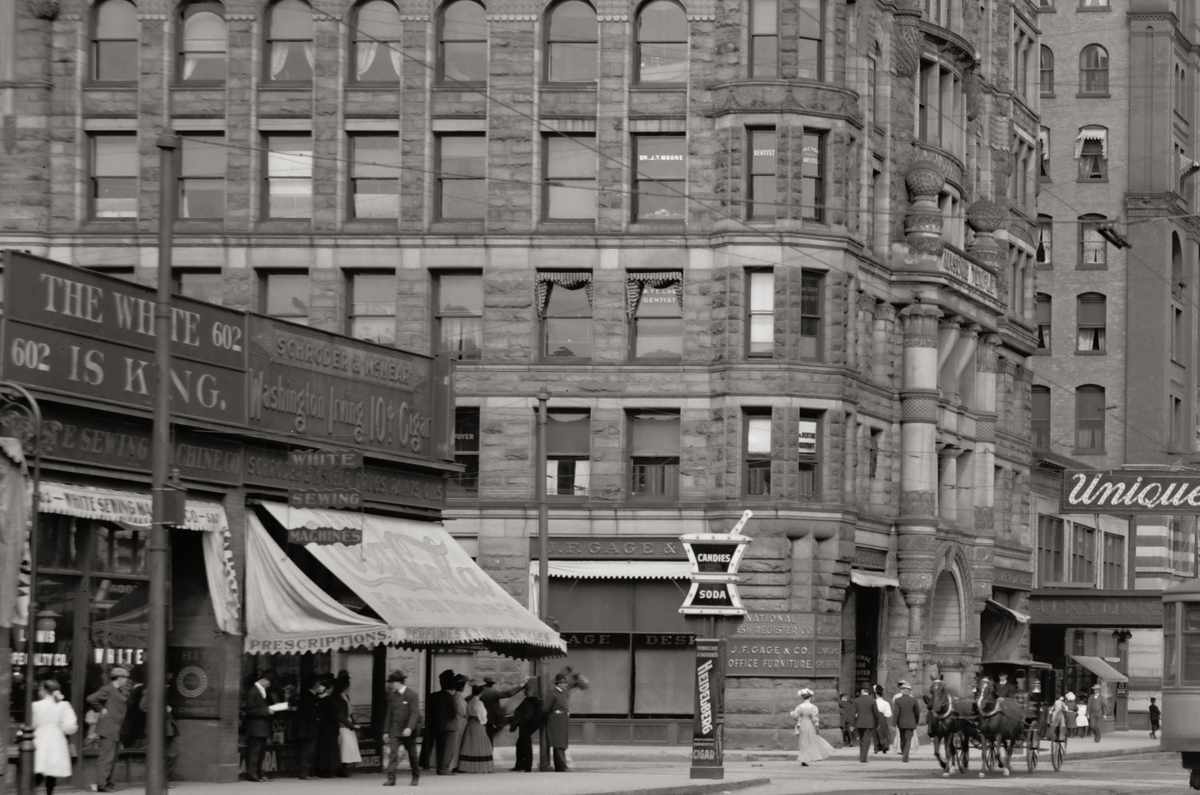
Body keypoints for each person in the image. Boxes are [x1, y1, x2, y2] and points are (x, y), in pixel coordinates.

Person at [87, 666, 131, 792]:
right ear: (120, 678)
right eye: (125, 678)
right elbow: (91, 698)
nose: (126, 680)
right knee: (107, 758)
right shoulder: (108, 689)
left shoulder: (117, 690)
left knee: (112, 757)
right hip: (109, 729)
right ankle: (102, 784)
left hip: (115, 729)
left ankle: (108, 782)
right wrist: (101, 709)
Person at [34, 680, 78, 795]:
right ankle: (49, 792)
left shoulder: (36, 706)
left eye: (40, 689)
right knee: (51, 770)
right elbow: (70, 726)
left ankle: (29, 790)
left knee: (39, 767)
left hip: (39, 738)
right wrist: (60, 726)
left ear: (44, 690)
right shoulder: (64, 705)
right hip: (56, 740)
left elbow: (32, 724)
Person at [140, 673, 180, 786]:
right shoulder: (149, 691)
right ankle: (158, 781)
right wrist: (163, 708)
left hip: (168, 729)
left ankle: (164, 780)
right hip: (157, 729)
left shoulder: (163, 691)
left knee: (173, 753)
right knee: (159, 755)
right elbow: (143, 707)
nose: (167, 684)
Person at [382, 670, 419, 787]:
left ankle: (415, 776)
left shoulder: (412, 695)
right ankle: (391, 778)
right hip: (395, 729)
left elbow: (414, 713)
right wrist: (386, 731)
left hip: (407, 731)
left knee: (412, 754)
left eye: (393, 682)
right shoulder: (392, 696)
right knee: (393, 753)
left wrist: (409, 728)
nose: (391, 685)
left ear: (398, 682)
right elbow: (389, 714)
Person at [243, 669, 279, 783]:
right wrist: (266, 711)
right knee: (255, 752)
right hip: (256, 727)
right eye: (269, 681)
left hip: (261, 727)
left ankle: (259, 773)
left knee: (260, 752)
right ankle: (253, 774)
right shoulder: (253, 691)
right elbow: (250, 709)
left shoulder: (262, 691)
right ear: (263, 679)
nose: (269, 684)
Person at [789, 688, 833, 766]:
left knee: (803, 741)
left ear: (803, 697)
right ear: (810, 697)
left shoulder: (799, 707)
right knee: (812, 739)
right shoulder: (813, 707)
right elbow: (815, 718)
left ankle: (804, 758)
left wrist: (793, 714)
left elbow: (795, 716)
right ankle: (813, 756)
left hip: (802, 724)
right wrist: (817, 727)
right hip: (809, 724)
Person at [478, 677, 528, 744]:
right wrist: (522, 685)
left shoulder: (479, 693)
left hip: (482, 720)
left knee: (485, 739)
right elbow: (509, 693)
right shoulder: (493, 692)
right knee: (489, 739)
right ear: (491, 685)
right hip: (492, 720)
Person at [458, 685, 494, 773]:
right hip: (478, 724)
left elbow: (466, 714)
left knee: (469, 743)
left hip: (470, 723)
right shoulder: (479, 703)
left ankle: (467, 767)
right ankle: (481, 767)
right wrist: (484, 721)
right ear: (480, 693)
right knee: (481, 743)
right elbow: (482, 715)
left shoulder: (469, 702)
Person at [295, 675, 325, 780]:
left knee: (312, 751)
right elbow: (305, 712)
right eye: (318, 683)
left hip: (313, 728)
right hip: (308, 728)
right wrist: (316, 719)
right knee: (307, 751)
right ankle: (304, 773)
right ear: (315, 684)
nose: (320, 685)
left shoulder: (314, 696)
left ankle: (310, 772)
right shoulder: (307, 696)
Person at [509, 678, 541, 773]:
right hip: (528, 725)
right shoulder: (533, 699)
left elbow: (529, 715)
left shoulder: (532, 699)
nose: (525, 690)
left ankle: (526, 766)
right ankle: (520, 764)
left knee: (525, 745)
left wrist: (521, 723)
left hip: (527, 725)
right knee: (521, 744)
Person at [333, 671, 361, 776]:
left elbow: (350, 711)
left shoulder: (346, 696)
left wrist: (353, 722)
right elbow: (340, 713)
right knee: (344, 746)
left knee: (347, 747)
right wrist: (350, 724)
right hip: (343, 725)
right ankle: (341, 768)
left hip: (348, 723)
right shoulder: (338, 697)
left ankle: (344, 767)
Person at [542, 673, 572, 772]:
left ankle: (560, 767)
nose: (565, 685)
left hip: (562, 721)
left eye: (566, 683)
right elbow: (545, 709)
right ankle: (562, 766)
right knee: (558, 744)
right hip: (556, 722)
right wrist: (553, 717)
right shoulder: (553, 694)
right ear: (558, 683)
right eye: (564, 683)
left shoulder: (561, 693)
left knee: (561, 744)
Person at [316, 674, 343, 777]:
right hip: (330, 726)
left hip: (321, 726)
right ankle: (329, 770)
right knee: (330, 748)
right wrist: (337, 726)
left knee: (322, 748)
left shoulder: (318, 699)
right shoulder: (331, 700)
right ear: (330, 688)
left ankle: (320, 769)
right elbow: (335, 715)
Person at [434, 671, 460, 775]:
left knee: (441, 748)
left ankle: (440, 768)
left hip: (440, 724)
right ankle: (444, 768)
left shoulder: (439, 695)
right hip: (450, 725)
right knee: (449, 748)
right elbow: (454, 710)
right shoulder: (450, 696)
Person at [893, 681, 922, 763]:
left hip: (901, 723)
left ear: (901, 691)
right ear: (909, 691)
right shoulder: (914, 700)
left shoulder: (898, 700)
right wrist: (916, 721)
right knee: (908, 739)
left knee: (902, 739)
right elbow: (917, 712)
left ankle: (903, 754)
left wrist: (894, 724)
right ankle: (906, 756)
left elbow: (896, 713)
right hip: (910, 723)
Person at [852, 687, 880, 764]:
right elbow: (876, 713)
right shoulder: (872, 700)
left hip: (859, 722)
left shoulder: (857, 700)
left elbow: (853, 713)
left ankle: (861, 755)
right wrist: (877, 723)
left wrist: (852, 724)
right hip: (869, 723)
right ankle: (863, 757)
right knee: (866, 740)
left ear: (862, 691)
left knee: (861, 739)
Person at [873, 684, 892, 754]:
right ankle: (884, 747)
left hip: (874, 717)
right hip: (882, 718)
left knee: (875, 733)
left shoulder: (873, 702)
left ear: (876, 694)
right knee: (883, 733)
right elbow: (888, 714)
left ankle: (876, 747)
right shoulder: (885, 703)